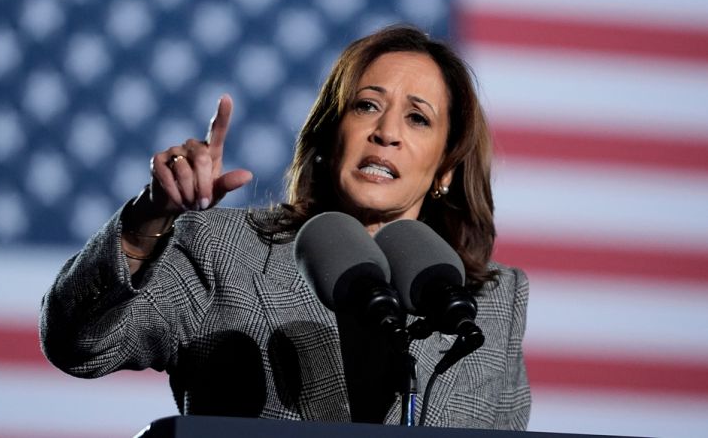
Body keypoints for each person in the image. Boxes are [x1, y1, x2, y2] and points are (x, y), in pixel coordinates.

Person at [39, 25, 530, 429]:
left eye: (418, 118)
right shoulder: (222, 250)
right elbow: (81, 346)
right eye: (367, 105)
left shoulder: (489, 303)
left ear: (445, 168)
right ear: (330, 133)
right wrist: (149, 217)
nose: (387, 133)